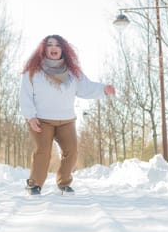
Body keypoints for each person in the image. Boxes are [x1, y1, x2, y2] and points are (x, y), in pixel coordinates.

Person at [20, 34, 115, 195]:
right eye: (50, 45)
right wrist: (30, 116)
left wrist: (103, 89)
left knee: (71, 151)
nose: (54, 48)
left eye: (57, 45)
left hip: (66, 120)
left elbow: (86, 88)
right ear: (44, 49)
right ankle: (34, 184)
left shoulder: (72, 72)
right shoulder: (33, 71)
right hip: (42, 120)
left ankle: (64, 183)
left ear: (63, 49)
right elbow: (25, 95)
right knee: (43, 151)